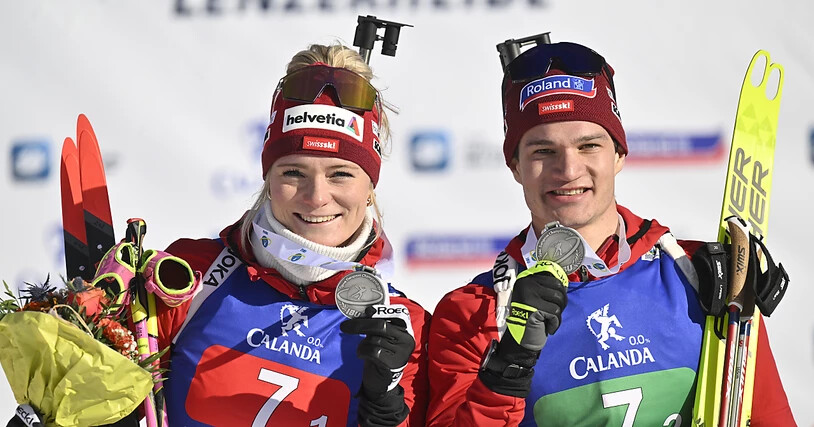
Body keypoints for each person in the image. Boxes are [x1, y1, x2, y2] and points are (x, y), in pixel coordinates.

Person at [425, 38, 795, 425]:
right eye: (542, 151)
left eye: (588, 146)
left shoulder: (706, 276)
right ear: (515, 166)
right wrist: (509, 365)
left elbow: (771, 416)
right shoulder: (472, 313)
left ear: (619, 153)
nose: (568, 170)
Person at [156, 44, 430, 426]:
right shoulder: (190, 273)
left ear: (369, 188)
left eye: (340, 174)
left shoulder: (403, 326)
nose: (316, 198)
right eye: (293, 173)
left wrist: (387, 412)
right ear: (268, 180)